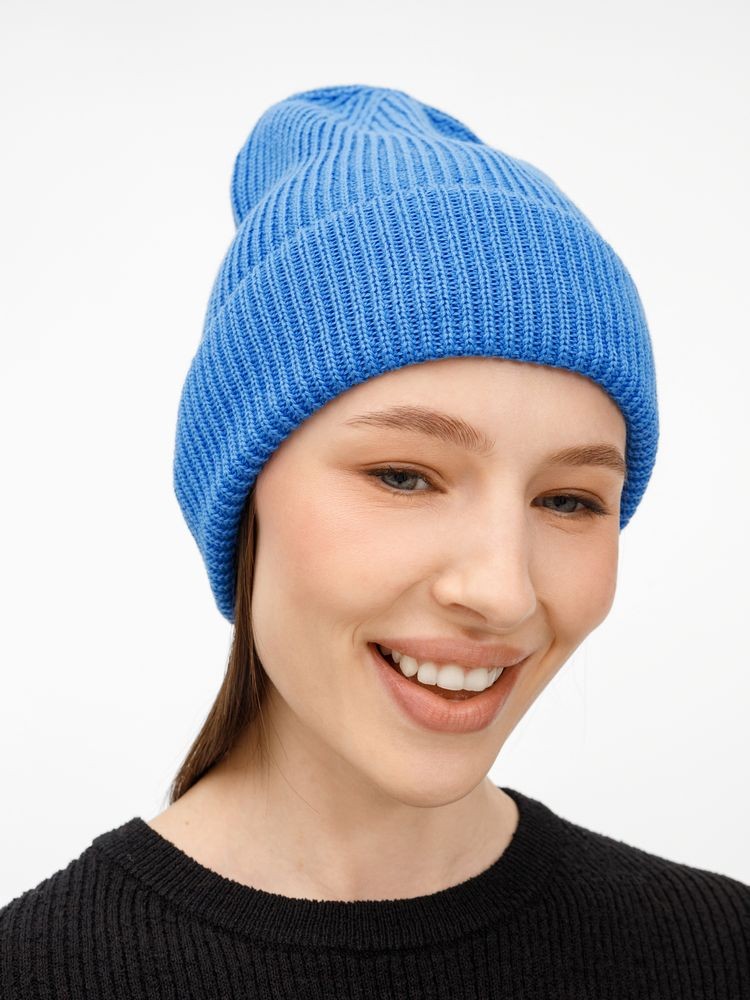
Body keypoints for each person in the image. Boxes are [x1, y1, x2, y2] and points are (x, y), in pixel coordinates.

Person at [1, 83, 747, 998]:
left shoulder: (717, 951)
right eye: (403, 477)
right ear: (243, 499)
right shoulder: (38, 973)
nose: (503, 590)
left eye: (568, 500)